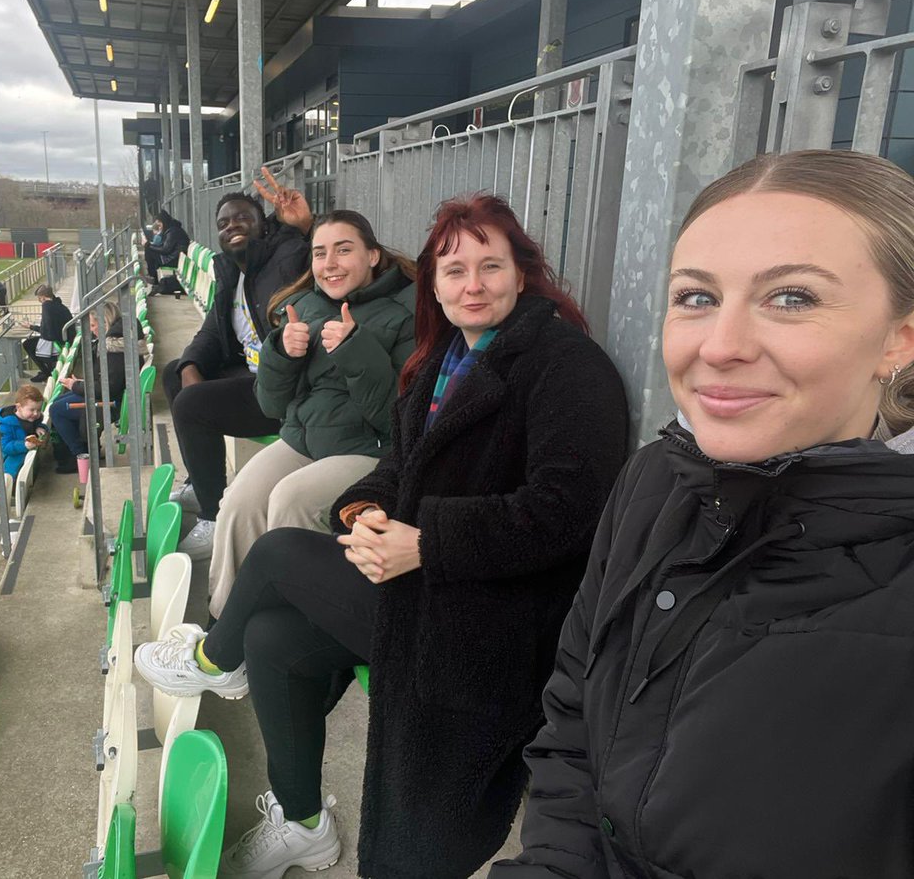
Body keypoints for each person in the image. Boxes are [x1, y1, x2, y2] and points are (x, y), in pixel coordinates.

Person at [135, 194, 629, 879]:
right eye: (455, 271)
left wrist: (428, 543)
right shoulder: (443, 357)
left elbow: (568, 511)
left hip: (497, 620)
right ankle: (303, 823)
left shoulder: (569, 367)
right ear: (435, 281)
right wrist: (363, 512)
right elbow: (396, 464)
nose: (473, 285)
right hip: (426, 580)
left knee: (277, 552)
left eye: (491, 266)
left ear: (524, 272)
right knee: (273, 637)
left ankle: (216, 662)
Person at [490, 149, 914, 878]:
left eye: (792, 298)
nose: (720, 346)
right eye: (696, 297)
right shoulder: (657, 480)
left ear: (900, 339)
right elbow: (576, 728)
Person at [206, 210, 416, 618]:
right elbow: (272, 406)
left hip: (371, 451)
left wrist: (357, 349)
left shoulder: (407, 313)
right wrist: (281, 353)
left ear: (373, 256)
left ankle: (274, 627)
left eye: (343, 250)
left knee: (291, 500)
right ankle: (223, 620)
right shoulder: (302, 306)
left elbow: (396, 419)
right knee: (239, 502)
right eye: (320, 253)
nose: (330, 264)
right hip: (306, 440)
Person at [163, 167, 313, 557]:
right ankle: (202, 480)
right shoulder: (232, 271)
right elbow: (212, 332)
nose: (233, 225)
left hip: (286, 388)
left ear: (263, 226)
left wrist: (306, 226)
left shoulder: (287, 255)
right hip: (250, 374)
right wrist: (191, 366)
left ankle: (215, 518)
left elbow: (318, 258)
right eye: (224, 222)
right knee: (174, 372)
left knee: (193, 405)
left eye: (243, 217)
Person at [48, 301, 144, 473]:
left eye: (93, 325)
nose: (91, 329)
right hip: (112, 396)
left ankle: (81, 454)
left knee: (56, 409)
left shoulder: (113, 349)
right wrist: (80, 384)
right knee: (60, 400)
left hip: (110, 403)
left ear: (104, 322)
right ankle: (82, 450)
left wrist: (76, 385)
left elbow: (107, 389)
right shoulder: (117, 343)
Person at [22, 284, 75, 382]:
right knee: (34, 343)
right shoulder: (58, 304)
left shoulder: (47, 306)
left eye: (39, 298)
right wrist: (33, 327)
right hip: (65, 337)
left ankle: (46, 372)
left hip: (59, 341)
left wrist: (31, 327)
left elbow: (47, 332)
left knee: (27, 344)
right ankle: (46, 371)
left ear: (42, 297)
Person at [0, 384, 47, 478]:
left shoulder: (34, 418)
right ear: (19, 407)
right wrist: (24, 445)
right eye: (32, 410)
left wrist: (41, 427)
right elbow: (5, 447)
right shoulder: (5, 425)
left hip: (27, 460)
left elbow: (40, 424)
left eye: (39, 410)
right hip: (10, 464)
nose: (36, 413)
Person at [143, 209, 190, 297]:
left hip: (174, 259)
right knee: (150, 250)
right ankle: (153, 277)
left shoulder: (173, 231)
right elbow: (164, 246)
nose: (159, 227)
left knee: (149, 251)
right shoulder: (172, 230)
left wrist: (148, 246)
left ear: (164, 222)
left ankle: (153, 278)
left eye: (159, 225)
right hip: (174, 257)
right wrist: (149, 245)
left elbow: (165, 249)